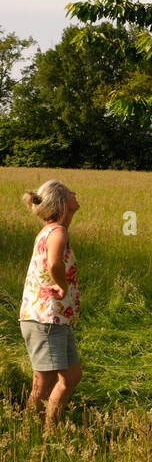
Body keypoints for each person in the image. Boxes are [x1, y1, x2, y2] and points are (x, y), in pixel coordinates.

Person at [19, 179, 82, 429]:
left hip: (55, 319)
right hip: (45, 319)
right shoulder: (58, 231)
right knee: (42, 384)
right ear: (61, 202)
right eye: (69, 192)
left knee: (72, 376)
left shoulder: (51, 230)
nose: (74, 193)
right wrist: (63, 286)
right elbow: (54, 264)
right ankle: (30, 431)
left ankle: (49, 428)